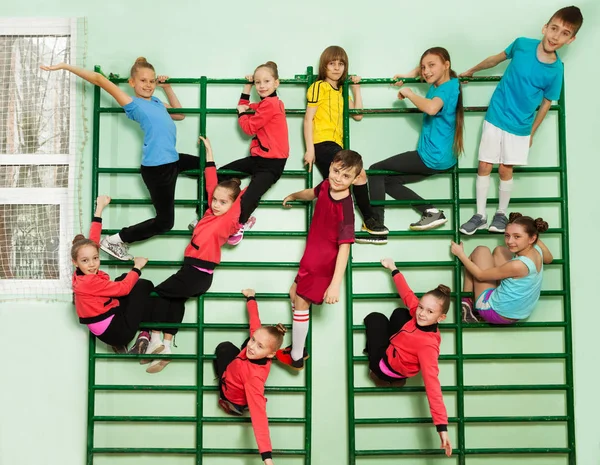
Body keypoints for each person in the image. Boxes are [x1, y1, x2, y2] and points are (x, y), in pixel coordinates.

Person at [41, 57, 199, 260]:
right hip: (158, 167)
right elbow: (98, 79)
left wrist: (166, 87)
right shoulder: (133, 104)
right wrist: (64, 66)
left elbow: (180, 115)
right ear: (132, 82)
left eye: (152, 81)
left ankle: (200, 218)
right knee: (165, 222)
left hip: (172, 159)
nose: (148, 85)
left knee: (209, 167)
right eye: (143, 81)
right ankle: (116, 240)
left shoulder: (158, 102)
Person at [459, 6, 583, 235]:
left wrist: (532, 133)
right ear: (545, 28)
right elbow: (496, 59)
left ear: (571, 39)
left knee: (505, 170)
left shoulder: (555, 71)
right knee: (485, 164)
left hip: (520, 126)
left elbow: (546, 103)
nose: (556, 36)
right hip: (496, 115)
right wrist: (471, 70)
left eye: (565, 33)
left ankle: (501, 214)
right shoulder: (522, 44)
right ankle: (480, 215)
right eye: (554, 28)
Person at [135, 136, 246, 373]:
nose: (216, 204)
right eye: (215, 200)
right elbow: (211, 183)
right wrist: (210, 156)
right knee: (173, 301)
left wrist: (239, 193)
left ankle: (156, 342)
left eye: (223, 202)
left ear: (233, 205)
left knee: (156, 294)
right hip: (194, 272)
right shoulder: (209, 213)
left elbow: (239, 199)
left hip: (197, 272)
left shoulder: (229, 219)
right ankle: (166, 346)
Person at [363, 47, 464, 243]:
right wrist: (408, 76)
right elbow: (422, 71)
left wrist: (408, 92)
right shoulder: (449, 82)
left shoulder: (445, 88)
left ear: (447, 65)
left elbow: (432, 108)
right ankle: (429, 211)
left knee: (375, 171)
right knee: (389, 181)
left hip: (431, 156)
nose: (426, 71)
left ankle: (377, 226)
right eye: (423, 67)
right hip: (443, 157)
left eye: (432, 66)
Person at [276, 150, 362, 370]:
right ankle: (298, 349)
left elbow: (344, 250)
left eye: (345, 177)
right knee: (293, 294)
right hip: (310, 256)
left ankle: (296, 356)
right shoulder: (325, 185)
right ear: (331, 166)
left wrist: (335, 285)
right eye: (335, 172)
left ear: (355, 179)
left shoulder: (346, 210)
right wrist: (294, 195)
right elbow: (311, 193)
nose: (338, 179)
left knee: (301, 301)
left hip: (323, 264)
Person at [363, 258, 452, 457]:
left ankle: (382, 377)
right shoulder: (418, 314)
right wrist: (394, 269)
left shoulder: (428, 345)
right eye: (421, 307)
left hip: (385, 365)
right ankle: (396, 371)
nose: (421, 314)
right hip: (400, 353)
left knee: (375, 319)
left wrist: (442, 427)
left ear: (441, 318)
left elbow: (433, 386)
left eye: (429, 312)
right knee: (401, 313)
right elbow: (407, 294)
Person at [303, 45, 388, 241]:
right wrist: (310, 149)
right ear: (324, 66)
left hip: (336, 145)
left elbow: (357, 115)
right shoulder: (318, 87)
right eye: (331, 63)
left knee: (341, 186)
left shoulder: (342, 91)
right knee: (356, 175)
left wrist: (356, 89)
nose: (336, 68)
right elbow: (308, 119)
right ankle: (369, 219)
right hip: (322, 144)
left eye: (340, 64)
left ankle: (347, 226)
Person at [71, 195, 161, 352]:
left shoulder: (81, 273)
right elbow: (124, 289)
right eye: (85, 261)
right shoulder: (89, 282)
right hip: (117, 331)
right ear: (75, 262)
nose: (92, 264)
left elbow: (94, 239)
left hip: (109, 324)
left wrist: (100, 208)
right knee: (142, 285)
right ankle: (146, 335)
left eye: (95, 258)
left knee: (122, 278)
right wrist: (137, 267)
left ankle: (122, 341)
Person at [215, 61, 289, 245]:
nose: (262, 86)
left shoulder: (271, 105)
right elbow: (246, 106)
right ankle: (220, 209)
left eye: (266, 81)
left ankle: (240, 223)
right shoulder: (265, 104)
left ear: (276, 83)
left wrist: (241, 114)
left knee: (250, 197)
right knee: (219, 175)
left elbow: (248, 128)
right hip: (258, 158)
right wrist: (246, 88)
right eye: (258, 82)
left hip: (272, 163)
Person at [214, 289, 285, 465]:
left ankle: (231, 405)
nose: (252, 347)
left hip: (233, 395)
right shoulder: (255, 344)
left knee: (224, 352)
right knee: (226, 347)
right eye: (253, 340)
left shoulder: (254, 379)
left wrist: (267, 457)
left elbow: (259, 416)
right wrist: (251, 298)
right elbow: (255, 321)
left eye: (260, 346)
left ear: (271, 355)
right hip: (238, 369)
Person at [451, 213, 553, 324]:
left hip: (496, 312)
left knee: (481, 250)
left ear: (532, 238)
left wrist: (460, 254)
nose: (510, 241)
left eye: (517, 236)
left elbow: (480, 275)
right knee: (500, 250)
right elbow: (549, 259)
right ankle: (469, 304)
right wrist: (530, 231)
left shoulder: (518, 265)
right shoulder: (538, 250)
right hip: (517, 313)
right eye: (507, 235)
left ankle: (465, 303)